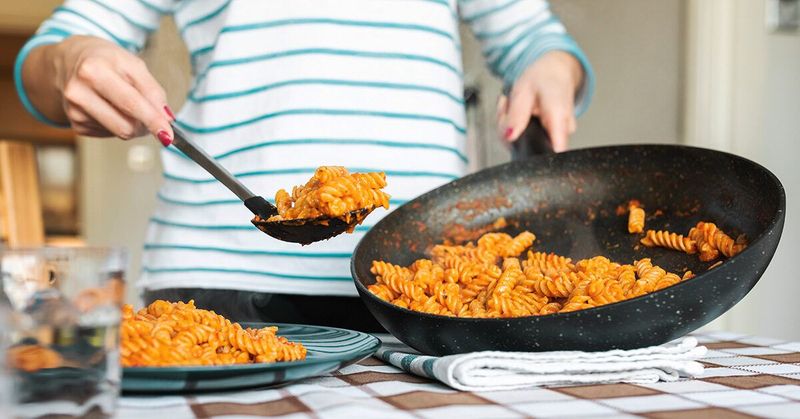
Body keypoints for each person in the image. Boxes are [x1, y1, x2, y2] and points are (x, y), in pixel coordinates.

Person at [16, 0, 594, 331]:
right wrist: (73, 60)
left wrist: (551, 69)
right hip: (216, 287)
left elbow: (534, 40)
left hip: (428, 286)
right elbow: (55, 51)